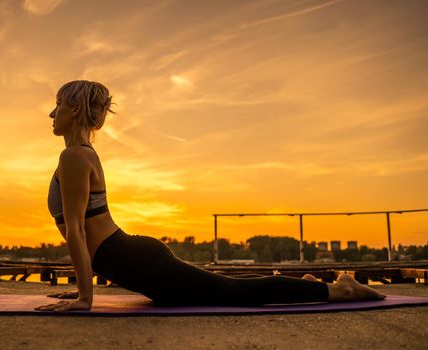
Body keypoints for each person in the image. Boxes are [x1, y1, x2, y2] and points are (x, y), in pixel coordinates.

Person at [35, 80, 387, 312]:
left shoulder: (75, 156)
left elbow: (78, 231)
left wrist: (85, 297)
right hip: (129, 258)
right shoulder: (77, 155)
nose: (52, 113)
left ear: (76, 110)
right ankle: (305, 284)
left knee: (233, 295)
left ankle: (340, 291)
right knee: (223, 286)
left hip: (135, 261)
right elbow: (82, 232)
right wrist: (81, 289)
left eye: (58, 105)